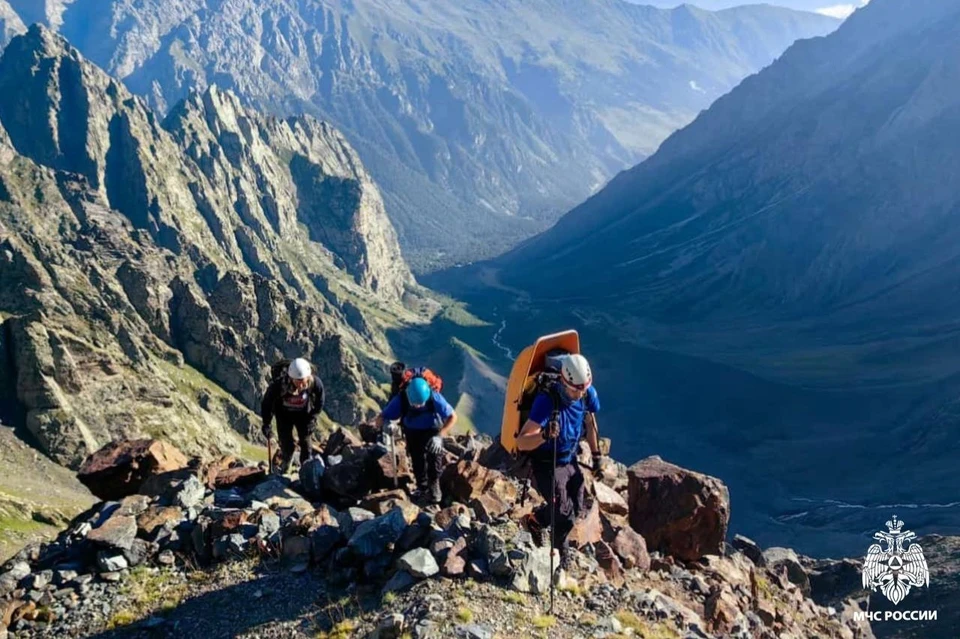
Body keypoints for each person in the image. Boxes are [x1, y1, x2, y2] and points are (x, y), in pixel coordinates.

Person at [515, 354, 601, 566]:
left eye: (583, 389)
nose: (579, 394)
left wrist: (596, 455)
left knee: (578, 505)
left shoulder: (585, 393)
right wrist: (543, 435)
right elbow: (522, 442)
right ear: (564, 381)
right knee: (565, 513)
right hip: (547, 462)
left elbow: (590, 423)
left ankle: (536, 520)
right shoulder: (547, 401)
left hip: (568, 457)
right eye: (575, 389)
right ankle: (560, 555)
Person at [373, 376, 457, 504]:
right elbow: (382, 417)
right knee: (416, 457)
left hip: (432, 430)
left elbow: (453, 416)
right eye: (415, 404)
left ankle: (434, 485)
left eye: (420, 404)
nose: (418, 407)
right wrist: (386, 424)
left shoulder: (434, 397)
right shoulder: (401, 399)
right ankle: (422, 486)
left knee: (434, 456)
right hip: (412, 431)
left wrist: (440, 436)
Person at [261, 358, 325, 473]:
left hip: (303, 415)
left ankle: (306, 470)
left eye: (303, 381)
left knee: (306, 444)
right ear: (291, 378)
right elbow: (267, 403)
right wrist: (267, 424)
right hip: (283, 415)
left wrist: (313, 417)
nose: (301, 385)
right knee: (286, 444)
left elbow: (320, 400)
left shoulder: (314, 383)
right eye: (297, 381)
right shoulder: (279, 385)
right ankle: (285, 466)